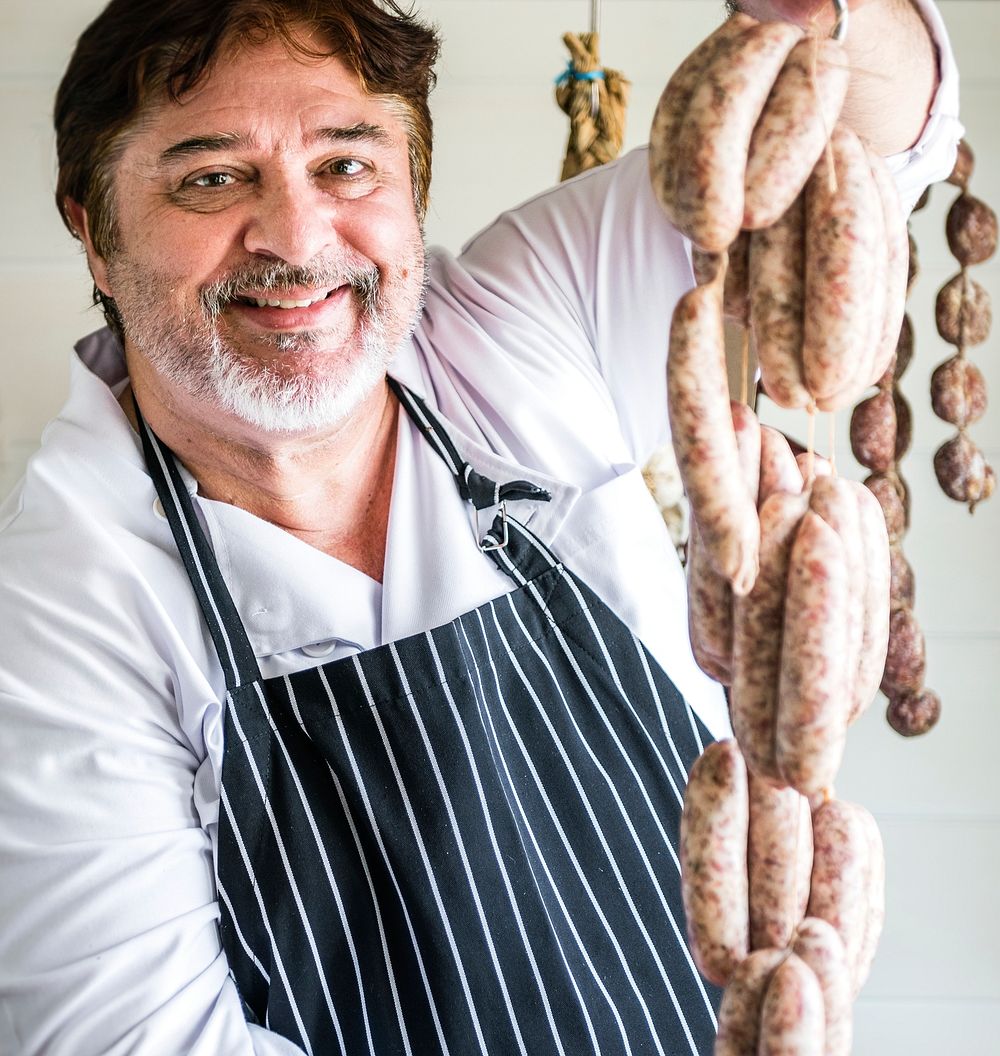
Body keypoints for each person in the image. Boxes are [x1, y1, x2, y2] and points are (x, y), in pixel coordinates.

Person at [0, 0, 960, 1052]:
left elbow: (869, 144)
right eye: (212, 177)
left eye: (348, 164)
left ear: (412, 187)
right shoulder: (53, 618)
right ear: (92, 228)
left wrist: (825, 11)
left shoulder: (516, 327)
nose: (296, 236)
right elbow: (137, 1038)